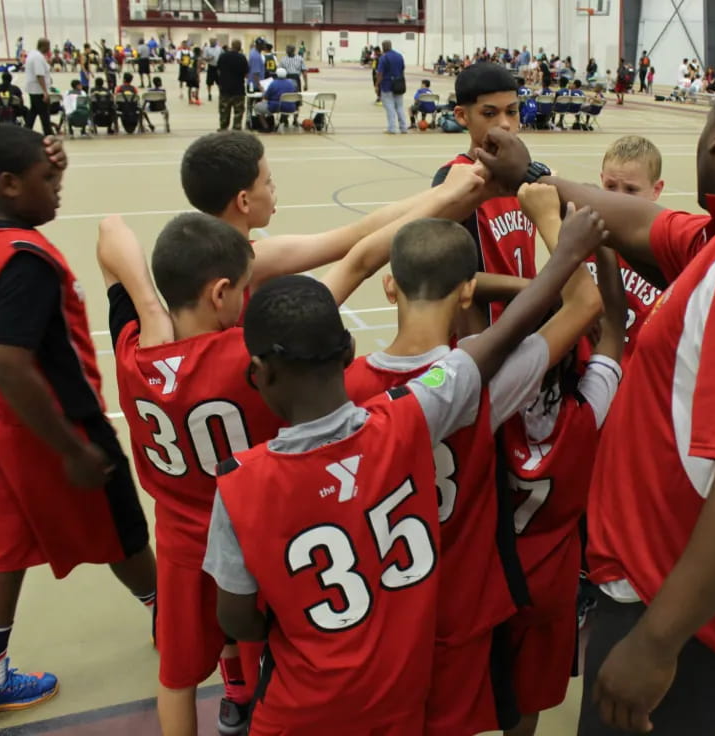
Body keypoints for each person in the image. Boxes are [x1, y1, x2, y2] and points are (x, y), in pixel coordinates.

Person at [475, 57, 715, 736]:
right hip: (677, 591)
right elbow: (645, 226)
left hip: (685, 615)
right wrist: (533, 178)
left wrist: (657, 640)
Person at [202, 200, 607, 735]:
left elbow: (237, 616)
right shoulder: (409, 418)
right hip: (440, 621)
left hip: (321, 673)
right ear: (344, 348)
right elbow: (551, 321)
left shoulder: (256, 467)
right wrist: (555, 242)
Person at [0, 126, 157, 712]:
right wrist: (70, 446)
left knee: (7, 545)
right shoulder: (25, 261)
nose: (59, 189)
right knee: (121, 529)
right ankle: (168, 615)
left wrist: (43, 162)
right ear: (10, 185)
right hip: (55, 424)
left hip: (5, 429)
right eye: (48, 180)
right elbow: (10, 363)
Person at [499, 185, 626, 736]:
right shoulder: (588, 410)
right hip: (549, 585)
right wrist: (604, 252)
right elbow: (613, 329)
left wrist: (524, 289)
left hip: (490, 573)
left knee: (472, 683)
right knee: (528, 698)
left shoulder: (488, 402)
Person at [432, 63, 538, 326]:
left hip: (527, 325)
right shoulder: (453, 179)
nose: (504, 123)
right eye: (489, 113)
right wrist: (535, 289)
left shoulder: (530, 176)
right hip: (484, 338)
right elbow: (451, 278)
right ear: (461, 116)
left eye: (512, 112)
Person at [597, 135, 665, 359]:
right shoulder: (583, 240)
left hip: (637, 380)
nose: (618, 199)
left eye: (631, 190)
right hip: (586, 381)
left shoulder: (665, 251)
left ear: (656, 190)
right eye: (610, 186)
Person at [376, 40, 408, 135]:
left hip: (387, 85)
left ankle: (392, 128)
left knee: (390, 107)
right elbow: (403, 69)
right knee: (400, 106)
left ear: (383, 47)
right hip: (399, 84)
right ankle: (403, 127)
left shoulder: (383, 58)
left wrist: (377, 84)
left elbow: (380, 73)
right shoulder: (399, 56)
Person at [23, 39, 53, 136]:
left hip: (34, 90)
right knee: (44, 115)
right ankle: (48, 134)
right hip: (39, 91)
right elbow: (39, 75)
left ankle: (26, 132)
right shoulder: (38, 58)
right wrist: (45, 92)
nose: (49, 49)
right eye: (48, 46)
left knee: (33, 113)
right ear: (44, 46)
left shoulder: (32, 54)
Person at [217, 40, 248, 131]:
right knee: (238, 110)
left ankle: (223, 127)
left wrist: (221, 81)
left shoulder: (223, 56)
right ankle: (237, 127)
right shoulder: (242, 58)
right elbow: (246, 73)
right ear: (240, 47)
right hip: (238, 89)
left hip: (225, 88)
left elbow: (218, 71)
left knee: (224, 110)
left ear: (231, 46)